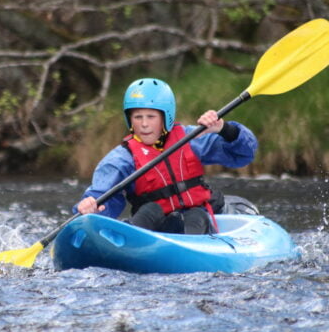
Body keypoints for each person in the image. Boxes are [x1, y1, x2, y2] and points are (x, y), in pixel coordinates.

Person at [74, 78, 258, 234]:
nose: (144, 124)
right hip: (156, 227)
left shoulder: (192, 138)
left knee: (196, 214)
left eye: (151, 116)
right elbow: (102, 199)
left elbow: (243, 154)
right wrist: (90, 210)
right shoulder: (121, 159)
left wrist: (224, 129)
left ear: (165, 117)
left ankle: (193, 247)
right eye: (138, 117)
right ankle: (136, 242)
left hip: (197, 217)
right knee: (151, 210)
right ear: (129, 119)